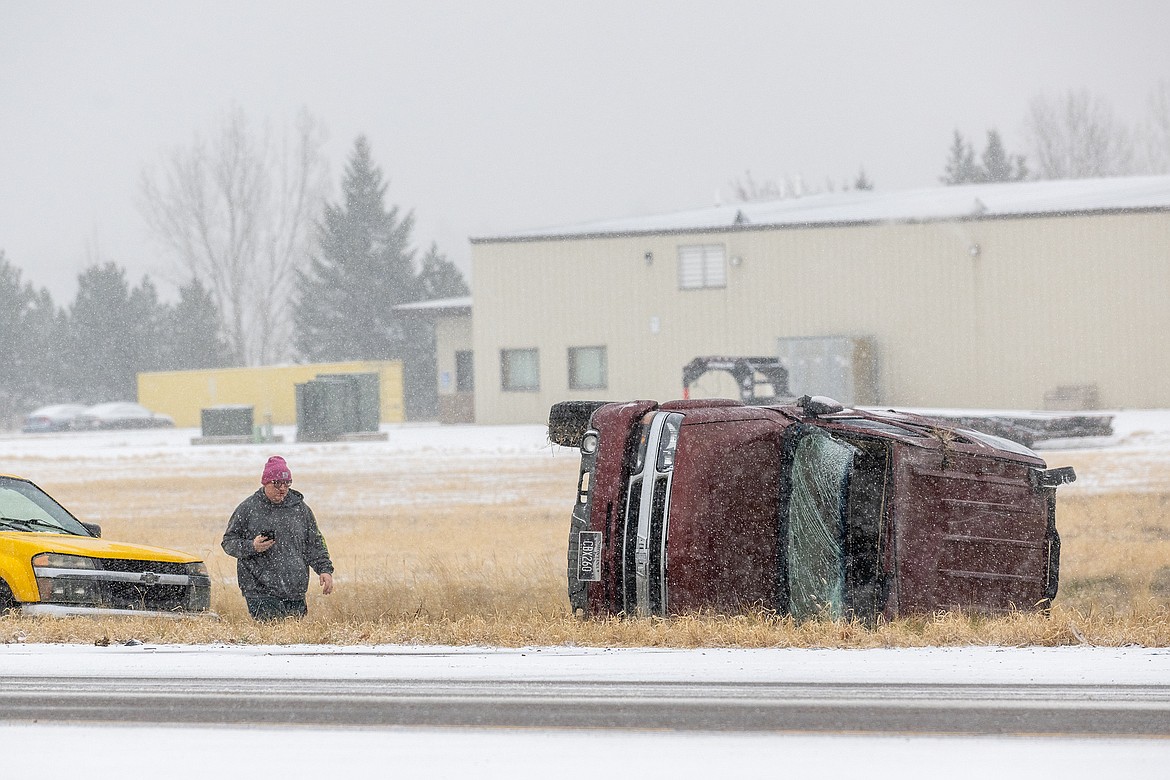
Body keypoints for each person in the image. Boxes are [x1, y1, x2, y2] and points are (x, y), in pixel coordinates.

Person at [222, 455, 335, 620]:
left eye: (287, 483)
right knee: (272, 635)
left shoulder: (301, 509)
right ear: (265, 483)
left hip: (295, 589)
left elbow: (315, 543)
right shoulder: (248, 508)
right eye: (277, 483)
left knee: (292, 638)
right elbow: (228, 542)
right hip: (259, 589)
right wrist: (251, 546)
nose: (282, 488)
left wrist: (324, 569)